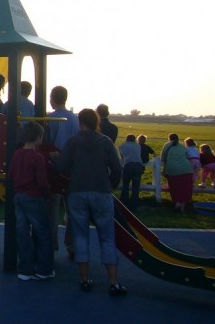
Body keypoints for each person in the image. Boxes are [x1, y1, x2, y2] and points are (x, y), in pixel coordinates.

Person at [52, 108, 126, 296]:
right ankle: (113, 282)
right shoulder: (105, 142)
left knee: (80, 236)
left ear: (80, 122)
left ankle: (84, 279)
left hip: (77, 191)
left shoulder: (73, 142)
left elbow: (61, 166)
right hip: (102, 191)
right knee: (107, 236)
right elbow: (117, 168)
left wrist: (55, 159)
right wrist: (110, 185)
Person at [8, 121, 54, 281]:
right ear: (38, 137)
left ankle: (25, 269)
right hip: (34, 196)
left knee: (22, 233)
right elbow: (41, 182)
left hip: (19, 196)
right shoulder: (38, 157)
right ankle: (44, 269)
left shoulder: (17, 154)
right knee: (43, 232)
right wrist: (47, 195)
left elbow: (12, 174)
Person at [45, 86, 79, 256]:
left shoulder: (51, 118)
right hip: (72, 166)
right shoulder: (75, 118)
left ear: (52, 98)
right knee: (72, 209)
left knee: (52, 207)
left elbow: (47, 142)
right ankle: (72, 245)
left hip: (55, 166)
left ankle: (52, 243)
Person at [161, 133, 193, 212]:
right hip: (187, 169)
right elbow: (187, 156)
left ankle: (177, 204)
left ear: (169, 139)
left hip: (173, 169)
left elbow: (163, 157)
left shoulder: (167, 145)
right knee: (184, 188)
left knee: (175, 187)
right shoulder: (182, 146)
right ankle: (182, 207)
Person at [118, 134, 143, 211]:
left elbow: (122, 157)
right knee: (136, 186)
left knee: (125, 185)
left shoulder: (122, 145)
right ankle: (134, 205)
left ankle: (124, 204)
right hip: (138, 165)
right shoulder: (138, 145)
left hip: (128, 165)